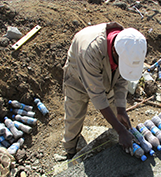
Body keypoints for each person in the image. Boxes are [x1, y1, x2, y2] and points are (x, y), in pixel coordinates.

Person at [62, 22, 147, 159]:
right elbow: (98, 97)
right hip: (78, 73)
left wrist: (121, 110)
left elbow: (122, 80)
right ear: (114, 50)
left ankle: (118, 139)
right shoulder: (90, 50)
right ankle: (70, 150)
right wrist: (120, 130)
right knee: (74, 113)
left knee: (115, 112)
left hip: (107, 70)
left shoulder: (129, 46)